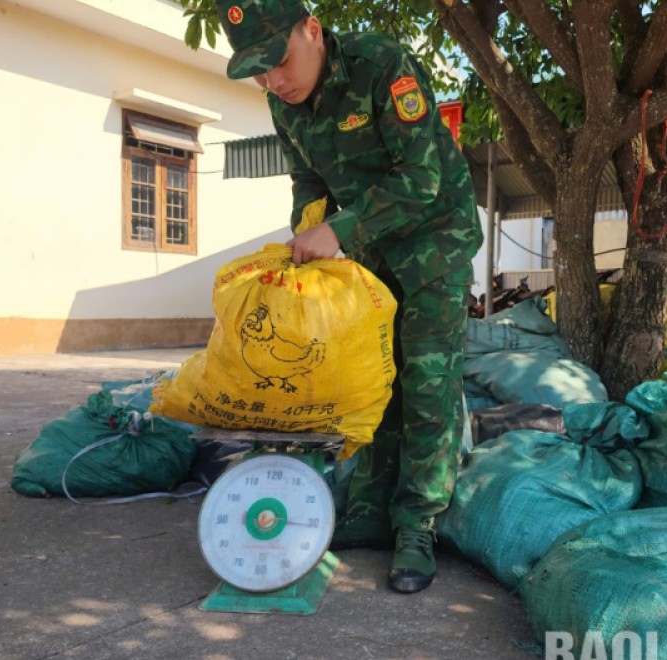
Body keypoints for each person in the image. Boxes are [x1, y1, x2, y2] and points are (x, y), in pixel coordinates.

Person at [216, 0, 481, 593]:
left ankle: (418, 522)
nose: (273, 81)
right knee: (374, 378)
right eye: (259, 71)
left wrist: (337, 230)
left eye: (279, 61)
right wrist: (306, 234)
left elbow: (421, 179)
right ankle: (370, 507)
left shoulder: (381, 66)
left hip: (436, 237)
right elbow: (309, 178)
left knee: (428, 379)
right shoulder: (281, 104)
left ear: (312, 30)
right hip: (369, 251)